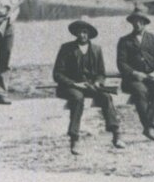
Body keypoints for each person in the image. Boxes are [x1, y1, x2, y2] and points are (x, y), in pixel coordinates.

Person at [52, 20, 122, 153]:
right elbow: (57, 74)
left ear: (89, 34)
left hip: (90, 86)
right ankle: (74, 139)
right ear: (76, 33)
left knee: (106, 97)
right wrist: (74, 83)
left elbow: (101, 73)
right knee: (78, 99)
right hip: (70, 86)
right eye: (80, 32)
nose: (82, 35)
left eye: (85, 32)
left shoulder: (96, 49)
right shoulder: (66, 48)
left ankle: (116, 134)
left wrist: (97, 83)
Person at [116, 9, 154, 140]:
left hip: (152, 78)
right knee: (141, 91)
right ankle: (151, 126)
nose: (137, 24)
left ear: (145, 23)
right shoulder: (124, 40)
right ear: (132, 23)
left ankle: (151, 125)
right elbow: (121, 63)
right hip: (133, 79)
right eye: (135, 22)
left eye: (140, 22)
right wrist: (134, 73)